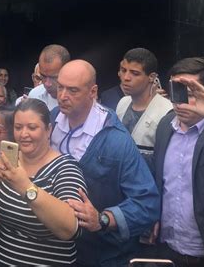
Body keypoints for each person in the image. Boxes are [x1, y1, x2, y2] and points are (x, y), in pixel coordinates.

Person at [51, 60, 160, 267]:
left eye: (72, 90)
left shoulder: (116, 141)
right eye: (60, 87)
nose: (63, 96)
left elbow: (147, 204)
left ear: (93, 92)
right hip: (56, 251)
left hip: (101, 255)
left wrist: (103, 219)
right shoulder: (52, 121)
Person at [0, 98, 87, 266]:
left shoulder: (65, 168)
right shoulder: (6, 161)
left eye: (32, 127)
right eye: (18, 127)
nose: (23, 134)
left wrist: (25, 187)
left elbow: (70, 228)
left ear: (48, 130)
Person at [152, 57, 204, 265]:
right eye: (177, 92)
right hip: (167, 247)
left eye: (190, 94)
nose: (181, 102)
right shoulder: (166, 125)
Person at [116, 48, 172, 166]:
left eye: (135, 73)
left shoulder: (167, 111)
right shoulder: (123, 103)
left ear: (151, 77)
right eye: (123, 70)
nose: (126, 77)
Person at [28, 44, 70, 110]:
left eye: (53, 77)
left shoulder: (80, 100)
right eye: (43, 76)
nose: (47, 84)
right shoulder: (34, 96)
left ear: (67, 71)